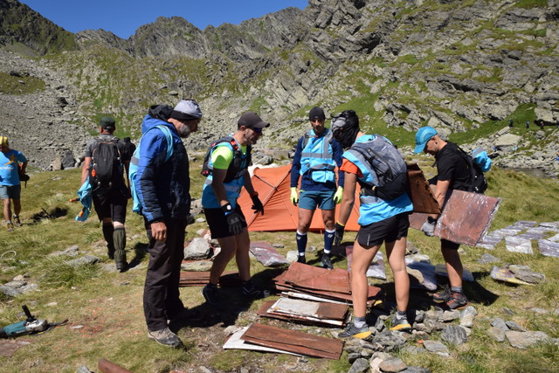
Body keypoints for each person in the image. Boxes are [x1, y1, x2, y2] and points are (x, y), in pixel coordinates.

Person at [332, 110, 413, 339]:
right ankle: (402, 318)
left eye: (338, 134)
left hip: (377, 215)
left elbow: (347, 199)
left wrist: (339, 225)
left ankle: (359, 325)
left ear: (345, 132)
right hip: (402, 209)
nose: (338, 139)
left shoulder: (351, 157)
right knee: (398, 265)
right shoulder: (380, 139)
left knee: (358, 269)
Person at [133, 99, 203, 348]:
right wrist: (155, 218)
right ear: (184, 120)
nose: (195, 130)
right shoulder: (159, 136)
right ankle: (156, 325)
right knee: (160, 268)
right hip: (162, 217)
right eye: (195, 124)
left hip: (173, 215)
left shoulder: (170, 136)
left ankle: (174, 308)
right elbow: (145, 177)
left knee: (173, 263)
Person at [201, 112, 269, 306]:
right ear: (242, 128)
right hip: (216, 204)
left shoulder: (244, 148)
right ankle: (211, 286)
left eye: (260, 131)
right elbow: (217, 184)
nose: (259, 134)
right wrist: (228, 211)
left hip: (230, 202)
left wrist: (254, 196)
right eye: (256, 130)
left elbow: (244, 174)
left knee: (244, 243)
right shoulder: (225, 151)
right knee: (229, 248)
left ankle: (246, 283)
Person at [413, 126, 470, 310]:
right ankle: (453, 288)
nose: (425, 151)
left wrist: (431, 220)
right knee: (447, 248)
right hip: (461, 200)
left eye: (426, 146)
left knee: (450, 248)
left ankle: (458, 294)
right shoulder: (450, 149)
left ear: (434, 139)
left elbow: (440, 194)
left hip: (461, 204)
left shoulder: (447, 157)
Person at [290, 107, 344, 268]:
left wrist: (340, 186)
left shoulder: (333, 139)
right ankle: (301, 257)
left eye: (319, 120)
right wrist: (293, 187)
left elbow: (341, 165)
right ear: (310, 121)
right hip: (308, 186)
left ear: (324, 120)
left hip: (327, 188)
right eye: (314, 121)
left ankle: (327, 256)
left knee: (329, 222)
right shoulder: (304, 139)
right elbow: (296, 165)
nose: (317, 124)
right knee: (303, 224)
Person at [81, 117, 131, 272]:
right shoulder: (121, 144)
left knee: (106, 219)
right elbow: (129, 168)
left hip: (99, 189)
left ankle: (111, 249)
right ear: (113, 128)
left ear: (101, 128)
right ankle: (120, 260)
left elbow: (86, 167)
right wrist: (130, 187)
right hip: (118, 187)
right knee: (119, 222)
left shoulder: (93, 144)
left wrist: (84, 189)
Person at [0, 136, 28, 232]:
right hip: (2, 184)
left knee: (17, 203)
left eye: (2, 146)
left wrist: (22, 171)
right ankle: (9, 223)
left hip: (15, 183)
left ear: (7, 145)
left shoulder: (16, 154)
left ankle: (16, 216)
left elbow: (24, 161)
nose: (1, 148)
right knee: (6, 203)